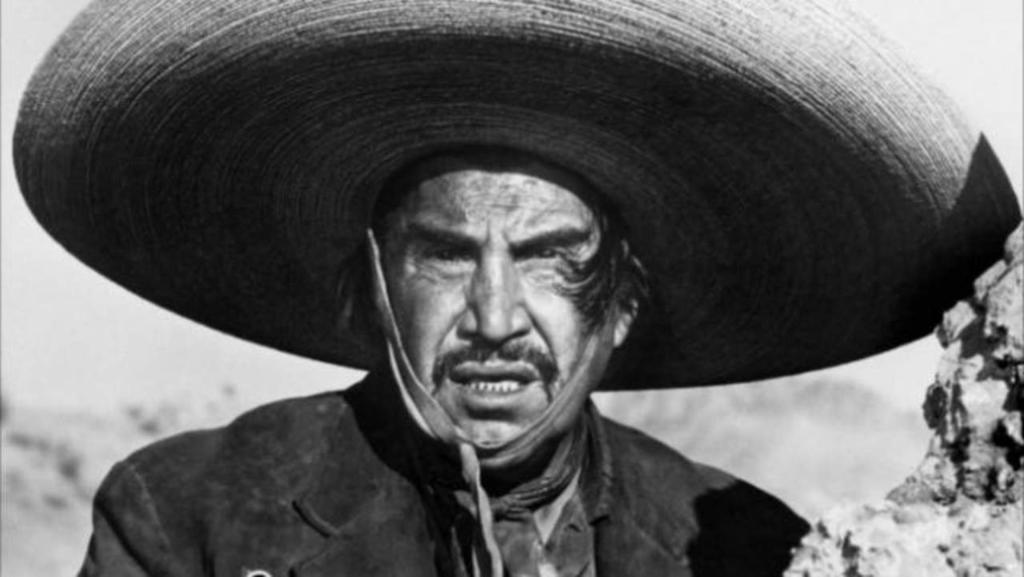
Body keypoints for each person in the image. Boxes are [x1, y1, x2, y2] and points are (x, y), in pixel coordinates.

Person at [12, 0, 1020, 576]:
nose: (495, 319)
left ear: (621, 307)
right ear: (368, 292)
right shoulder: (184, 516)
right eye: (447, 256)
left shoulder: (741, 552)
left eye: (547, 258)